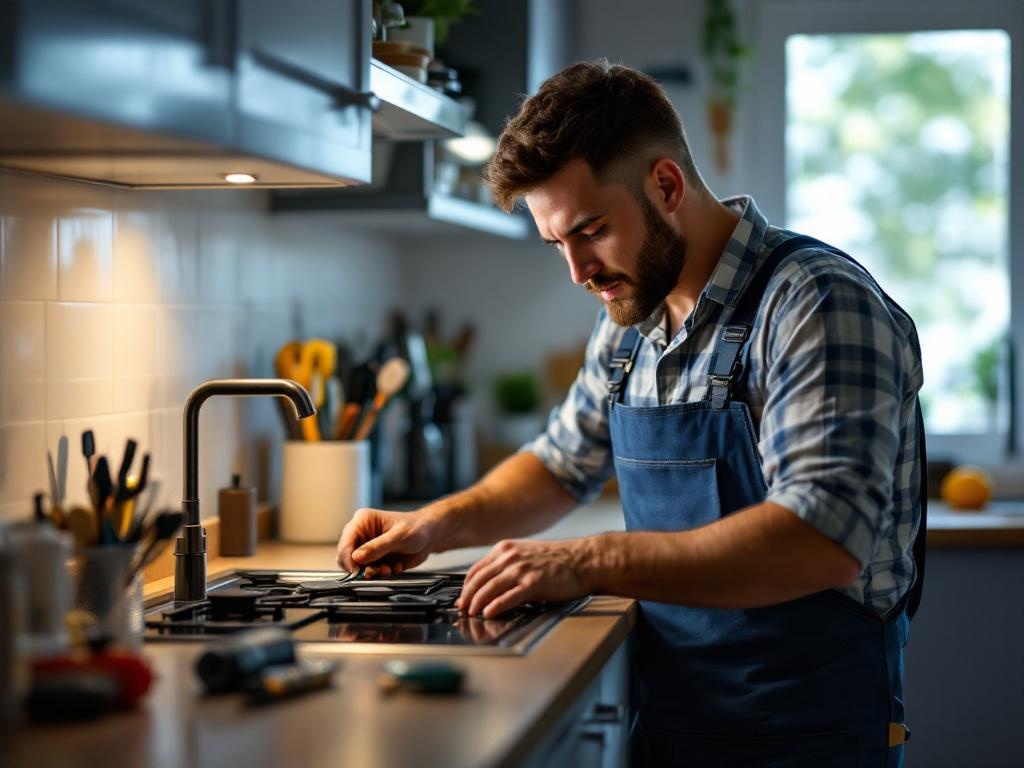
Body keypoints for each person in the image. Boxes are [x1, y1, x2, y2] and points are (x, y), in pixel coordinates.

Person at [337, 60, 925, 767]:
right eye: (559, 243)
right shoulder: (629, 320)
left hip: (809, 731)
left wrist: (587, 560)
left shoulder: (815, 303)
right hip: (674, 716)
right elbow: (561, 466)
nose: (578, 271)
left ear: (666, 186)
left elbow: (821, 540)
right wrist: (434, 523)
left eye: (590, 231)